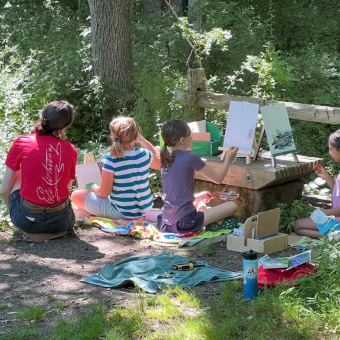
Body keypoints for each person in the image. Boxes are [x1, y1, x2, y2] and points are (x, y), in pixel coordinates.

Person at [0, 101, 77, 233]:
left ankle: (19, 223)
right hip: (61, 222)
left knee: (18, 172)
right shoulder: (70, 149)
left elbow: (4, 190)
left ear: (43, 117)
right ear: (64, 127)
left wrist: (15, 215)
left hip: (26, 220)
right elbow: (67, 188)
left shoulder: (21, 142)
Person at [155, 119, 239, 233]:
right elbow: (218, 178)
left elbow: (175, 192)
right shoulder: (190, 157)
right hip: (185, 222)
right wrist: (229, 159)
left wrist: (198, 196)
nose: (192, 138)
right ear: (182, 140)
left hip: (166, 222)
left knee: (201, 203)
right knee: (233, 206)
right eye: (191, 135)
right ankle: (212, 223)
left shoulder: (165, 159)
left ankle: (207, 219)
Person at [71, 117, 160, 219]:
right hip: (146, 210)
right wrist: (143, 140)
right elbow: (160, 161)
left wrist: (94, 187)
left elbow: (104, 193)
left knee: (76, 195)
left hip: (121, 213)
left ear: (113, 137)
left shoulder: (111, 159)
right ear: (136, 136)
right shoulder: (145, 154)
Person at [294, 130, 340, 238]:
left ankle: (334, 237)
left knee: (297, 226)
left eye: (331, 149)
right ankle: (334, 236)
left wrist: (324, 212)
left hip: (337, 223)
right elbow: (338, 193)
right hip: (336, 219)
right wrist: (326, 177)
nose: (329, 152)